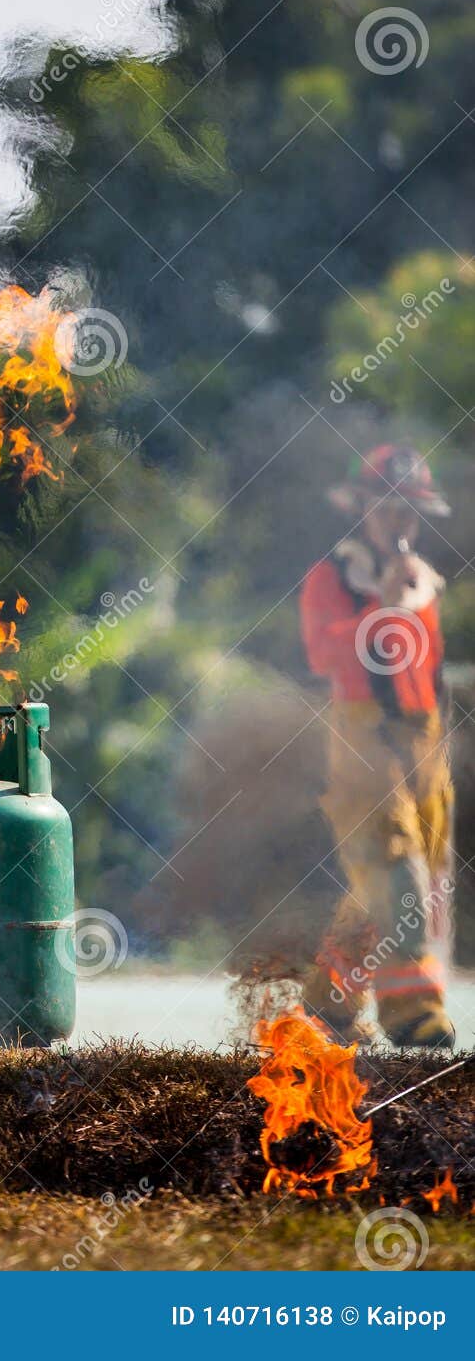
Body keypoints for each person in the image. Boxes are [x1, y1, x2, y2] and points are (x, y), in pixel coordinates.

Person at [300, 445, 454, 1049]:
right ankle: (415, 1017)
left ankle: (325, 1010)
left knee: (384, 884)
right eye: (388, 510)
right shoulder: (335, 575)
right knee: (396, 870)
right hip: (363, 740)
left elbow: (431, 666)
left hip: (423, 738)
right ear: (364, 510)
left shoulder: (424, 582)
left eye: (409, 514)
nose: (399, 524)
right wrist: (385, 605)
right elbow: (325, 655)